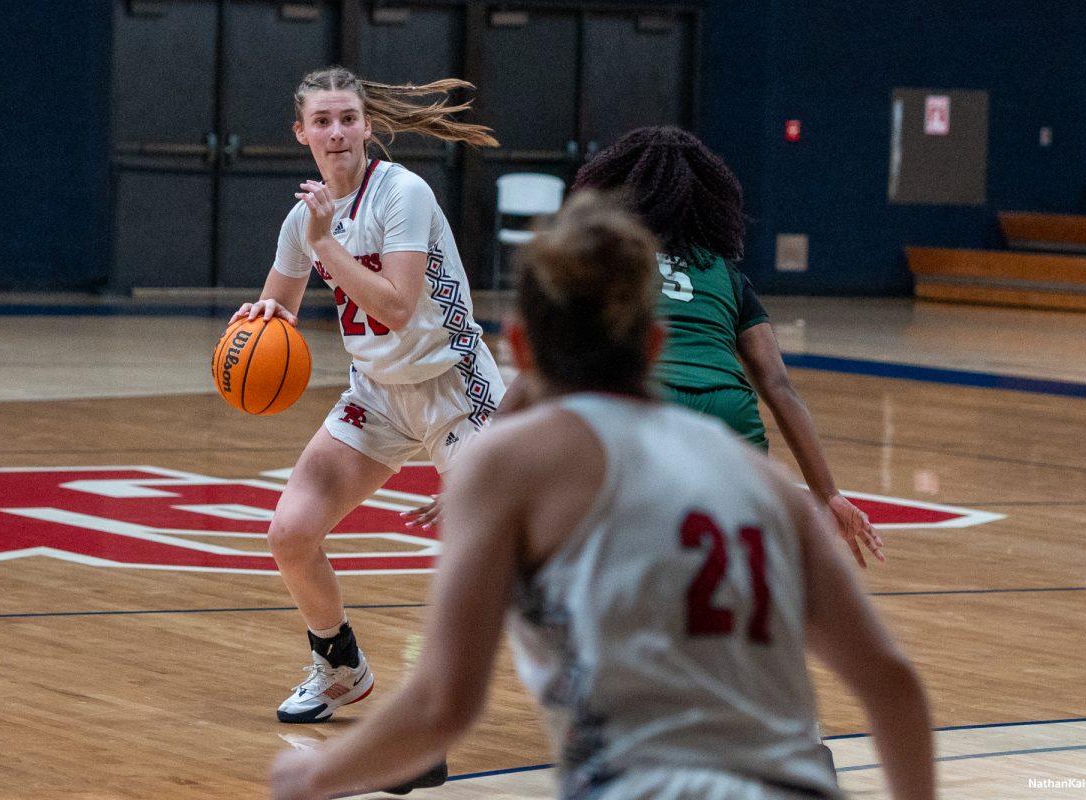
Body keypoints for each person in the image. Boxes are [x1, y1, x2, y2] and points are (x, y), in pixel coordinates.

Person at [268, 192, 936, 800]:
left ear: (522, 349)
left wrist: (314, 774)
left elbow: (444, 702)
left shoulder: (512, 465)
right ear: (654, 344)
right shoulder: (761, 481)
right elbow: (892, 679)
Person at [230, 63, 504, 760]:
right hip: (376, 394)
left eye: (348, 118)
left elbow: (396, 304)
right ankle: (340, 668)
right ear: (302, 134)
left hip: (456, 389)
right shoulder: (305, 217)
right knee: (290, 533)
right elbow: (280, 310)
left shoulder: (401, 192)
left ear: (368, 126)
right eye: (322, 121)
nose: (337, 131)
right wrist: (256, 326)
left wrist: (325, 245)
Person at [564, 126, 883, 569]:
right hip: (731, 411)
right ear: (709, 199)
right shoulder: (726, 274)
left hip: (649, 401)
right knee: (730, 556)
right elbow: (778, 385)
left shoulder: (609, 260)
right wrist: (828, 493)